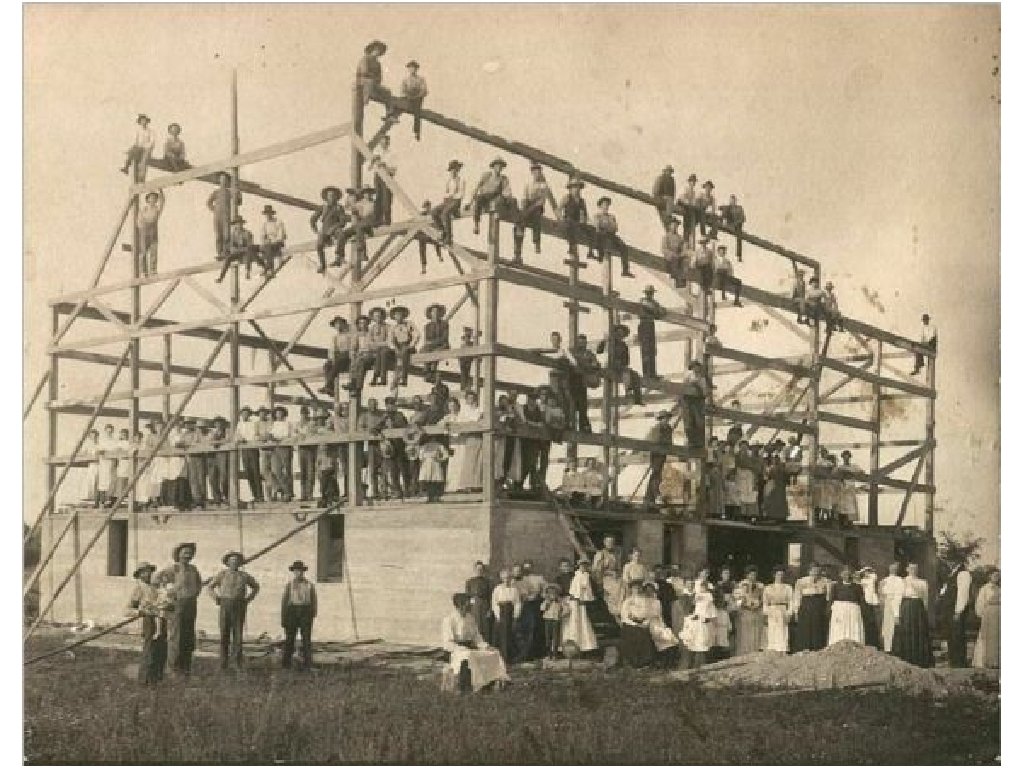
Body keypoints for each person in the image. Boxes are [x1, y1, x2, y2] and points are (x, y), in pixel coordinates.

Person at [442, 593, 509, 692]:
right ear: (460, 605)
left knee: (494, 653)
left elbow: (476, 637)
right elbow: (448, 643)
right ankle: (477, 685)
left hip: (470, 647)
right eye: (468, 604)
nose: (470, 606)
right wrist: (462, 648)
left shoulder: (470, 618)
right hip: (455, 650)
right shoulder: (449, 620)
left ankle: (494, 681)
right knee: (469, 655)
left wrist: (486, 646)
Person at [154, 542, 202, 677]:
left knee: (188, 636)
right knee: (176, 636)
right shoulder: (173, 568)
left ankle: (185, 667)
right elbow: (156, 580)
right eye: (185, 553)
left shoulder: (193, 569)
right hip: (176, 605)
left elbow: (199, 584)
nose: (187, 555)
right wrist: (168, 593)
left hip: (191, 604)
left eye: (190, 553)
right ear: (178, 554)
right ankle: (172, 669)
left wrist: (194, 593)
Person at [207, 550, 260, 671]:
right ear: (227, 563)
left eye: (236, 561)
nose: (234, 563)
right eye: (231, 561)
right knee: (224, 633)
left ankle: (237, 663)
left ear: (239, 563)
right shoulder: (222, 574)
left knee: (238, 634)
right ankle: (223, 663)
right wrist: (216, 598)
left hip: (239, 605)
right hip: (225, 604)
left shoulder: (244, 576)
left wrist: (248, 599)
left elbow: (256, 587)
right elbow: (210, 587)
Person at [128, 562, 167, 685]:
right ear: (139, 575)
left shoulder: (157, 587)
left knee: (161, 648)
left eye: (149, 571)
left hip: (161, 619)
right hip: (148, 620)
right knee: (149, 649)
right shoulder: (139, 588)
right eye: (144, 572)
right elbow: (129, 609)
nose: (147, 574)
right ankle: (144, 679)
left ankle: (156, 678)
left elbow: (164, 601)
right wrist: (140, 611)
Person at [514, 162, 558, 261]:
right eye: (535, 172)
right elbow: (524, 198)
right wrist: (523, 209)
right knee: (519, 223)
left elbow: (542, 201)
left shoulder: (543, 185)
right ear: (532, 173)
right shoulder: (528, 184)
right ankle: (517, 252)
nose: (537, 174)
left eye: (538, 172)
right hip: (528, 206)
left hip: (537, 207)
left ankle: (536, 242)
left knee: (536, 218)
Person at [892, 562, 933, 667]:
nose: (913, 570)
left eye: (915, 568)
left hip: (918, 608)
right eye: (911, 568)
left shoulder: (923, 582)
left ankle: (919, 659)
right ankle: (907, 657)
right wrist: (896, 614)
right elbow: (897, 598)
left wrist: (924, 611)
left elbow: (925, 599)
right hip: (906, 607)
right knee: (907, 631)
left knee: (919, 631)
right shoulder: (902, 581)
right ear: (907, 569)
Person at [280, 560, 317, 671]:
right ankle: (286, 664)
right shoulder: (289, 585)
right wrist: (284, 618)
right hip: (292, 611)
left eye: (300, 571)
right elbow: (284, 602)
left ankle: (308, 664)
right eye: (296, 571)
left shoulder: (309, 585)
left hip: (305, 612)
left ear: (303, 572)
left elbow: (314, 600)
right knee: (290, 638)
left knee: (306, 639)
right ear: (293, 572)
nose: (298, 573)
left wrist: (312, 614)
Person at [939, 558, 974, 668]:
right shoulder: (952, 574)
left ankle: (959, 662)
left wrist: (958, 611)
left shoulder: (963, 573)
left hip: (956, 610)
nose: (949, 563)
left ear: (957, 561)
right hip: (949, 609)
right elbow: (944, 591)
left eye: (951, 560)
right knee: (951, 635)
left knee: (957, 635)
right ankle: (953, 661)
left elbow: (963, 594)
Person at [679, 569, 717, 668]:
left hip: (700, 620)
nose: (690, 586)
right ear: (685, 585)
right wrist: (694, 604)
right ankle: (688, 664)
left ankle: (700, 664)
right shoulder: (684, 596)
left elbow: (707, 606)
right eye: (688, 584)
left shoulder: (699, 594)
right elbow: (687, 609)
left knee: (701, 641)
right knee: (690, 641)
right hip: (690, 620)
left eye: (691, 584)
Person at [466, 158, 513, 235]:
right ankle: (476, 224)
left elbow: (507, 190)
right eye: (497, 166)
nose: (499, 168)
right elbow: (476, 187)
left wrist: (508, 197)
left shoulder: (503, 178)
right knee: (478, 201)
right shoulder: (486, 175)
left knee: (499, 201)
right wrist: (470, 202)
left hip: (496, 196)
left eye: (501, 166)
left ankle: (498, 213)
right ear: (493, 167)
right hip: (485, 196)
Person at [562, 559, 599, 654]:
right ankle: (571, 646)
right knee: (572, 622)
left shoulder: (587, 576)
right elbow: (573, 589)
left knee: (582, 621)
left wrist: (585, 598)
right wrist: (574, 597)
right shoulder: (576, 576)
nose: (583, 567)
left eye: (585, 566)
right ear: (579, 566)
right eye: (582, 565)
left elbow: (588, 590)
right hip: (573, 601)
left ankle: (584, 645)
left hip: (581, 602)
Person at [792, 563, 830, 651]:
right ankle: (804, 647)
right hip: (806, 604)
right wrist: (796, 609)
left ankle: (818, 647)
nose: (815, 572)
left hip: (819, 604)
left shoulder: (826, 581)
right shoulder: (801, 581)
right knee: (805, 626)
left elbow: (828, 596)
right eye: (813, 570)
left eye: (817, 570)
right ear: (809, 571)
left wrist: (827, 608)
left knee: (818, 625)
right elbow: (797, 596)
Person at [310, 185, 349, 272]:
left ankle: (339, 258)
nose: (331, 197)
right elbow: (313, 219)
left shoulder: (339, 208)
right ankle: (322, 264)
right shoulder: (323, 208)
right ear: (326, 197)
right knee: (319, 245)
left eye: (333, 195)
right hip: (325, 229)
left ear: (336, 197)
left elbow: (343, 222)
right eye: (330, 195)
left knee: (341, 235)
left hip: (336, 227)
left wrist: (334, 228)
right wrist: (315, 230)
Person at [215, 215, 264, 283]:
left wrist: (239, 248)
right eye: (237, 224)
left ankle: (248, 272)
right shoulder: (233, 234)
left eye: (240, 223)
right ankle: (221, 277)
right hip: (238, 253)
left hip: (246, 253)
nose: (238, 225)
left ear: (242, 224)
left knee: (249, 253)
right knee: (228, 258)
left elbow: (249, 246)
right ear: (235, 225)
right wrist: (238, 249)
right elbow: (232, 247)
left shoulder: (247, 233)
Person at [619, 580, 657, 668]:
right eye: (635, 588)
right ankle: (633, 662)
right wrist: (634, 623)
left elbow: (649, 613)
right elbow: (624, 616)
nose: (637, 590)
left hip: (643, 624)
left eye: (639, 588)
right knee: (633, 634)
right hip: (630, 624)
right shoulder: (627, 601)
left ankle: (645, 662)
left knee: (644, 634)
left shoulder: (645, 600)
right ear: (631, 589)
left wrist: (645, 623)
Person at [515, 561, 547, 661]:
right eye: (525, 568)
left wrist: (541, 596)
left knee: (536, 628)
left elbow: (546, 590)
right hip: (525, 606)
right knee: (526, 629)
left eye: (529, 568)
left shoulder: (539, 578)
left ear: (533, 567)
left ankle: (537, 653)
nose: (527, 570)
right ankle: (526, 653)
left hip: (536, 605)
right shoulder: (520, 580)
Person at [592, 196, 632, 276]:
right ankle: (600, 256)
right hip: (602, 235)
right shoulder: (597, 216)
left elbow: (615, 228)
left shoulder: (611, 217)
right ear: (600, 206)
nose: (606, 207)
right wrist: (607, 226)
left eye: (607, 205)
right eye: (604, 205)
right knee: (600, 239)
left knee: (623, 247)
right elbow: (597, 227)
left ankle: (625, 270)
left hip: (611, 235)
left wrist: (606, 226)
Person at [827, 565, 866, 646]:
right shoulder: (836, 586)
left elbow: (861, 600)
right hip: (839, 610)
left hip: (853, 610)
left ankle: (854, 646)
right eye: (845, 574)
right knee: (839, 628)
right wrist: (828, 610)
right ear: (841, 575)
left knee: (853, 628)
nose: (847, 576)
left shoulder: (857, 587)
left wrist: (864, 612)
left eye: (848, 574)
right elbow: (831, 599)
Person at [559, 178, 595, 260]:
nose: (576, 189)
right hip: (568, 220)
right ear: (570, 189)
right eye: (574, 187)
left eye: (578, 187)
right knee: (571, 226)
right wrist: (560, 219)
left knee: (592, 229)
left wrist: (589, 222)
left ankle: (590, 252)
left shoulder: (582, 201)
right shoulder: (567, 197)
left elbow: (585, 215)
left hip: (578, 222)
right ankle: (571, 248)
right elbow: (559, 209)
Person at [206, 173, 241, 260]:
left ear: (227, 182)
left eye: (225, 180)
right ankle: (219, 253)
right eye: (222, 180)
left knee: (226, 235)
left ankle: (225, 252)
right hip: (217, 216)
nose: (223, 182)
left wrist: (238, 193)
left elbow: (238, 202)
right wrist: (214, 209)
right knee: (218, 235)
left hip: (226, 216)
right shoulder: (216, 192)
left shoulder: (229, 192)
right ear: (219, 181)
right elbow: (208, 202)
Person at [233, 407, 264, 504]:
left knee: (255, 472)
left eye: (247, 413)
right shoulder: (239, 424)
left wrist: (250, 440)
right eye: (243, 414)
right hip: (244, 450)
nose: (245, 415)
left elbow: (256, 435)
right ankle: (255, 495)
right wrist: (240, 439)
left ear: (249, 414)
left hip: (252, 449)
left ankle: (260, 495)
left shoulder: (253, 423)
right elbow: (236, 436)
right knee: (248, 473)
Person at [490, 569, 521, 663]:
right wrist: (498, 616)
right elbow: (494, 603)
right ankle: (500, 657)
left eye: (508, 578)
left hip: (510, 611)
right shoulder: (497, 589)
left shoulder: (514, 589)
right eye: (504, 578)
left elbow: (517, 603)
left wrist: (516, 616)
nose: (506, 580)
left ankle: (509, 658)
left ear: (510, 578)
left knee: (509, 634)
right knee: (500, 635)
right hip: (501, 611)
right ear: (501, 578)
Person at [644, 410, 674, 508]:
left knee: (658, 474)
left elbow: (670, 442)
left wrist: (668, 446)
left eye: (667, 418)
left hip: (663, 454)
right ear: (661, 419)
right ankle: (654, 495)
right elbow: (654, 441)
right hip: (656, 454)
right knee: (656, 473)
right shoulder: (656, 428)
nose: (666, 420)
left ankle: (650, 498)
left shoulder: (669, 429)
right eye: (664, 418)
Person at [432, 160, 466, 245]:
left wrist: (452, 196)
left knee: (445, 213)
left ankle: (449, 237)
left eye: (454, 169)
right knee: (434, 211)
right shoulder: (449, 181)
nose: (453, 172)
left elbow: (461, 194)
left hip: (456, 201)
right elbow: (445, 193)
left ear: (457, 170)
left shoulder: (461, 180)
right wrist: (447, 197)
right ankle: (442, 230)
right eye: (451, 170)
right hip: (448, 201)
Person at [733, 566, 765, 656]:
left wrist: (759, 604)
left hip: (756, 611)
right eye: (751, 574)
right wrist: (744, 604)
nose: (752, 576)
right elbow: (737, 599)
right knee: (744, 633)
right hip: (745, 611)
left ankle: (754, 652)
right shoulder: (741, 585)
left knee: (756, 632)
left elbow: (763, 598)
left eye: (754, 574)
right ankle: (744, 653)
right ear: (747, 575)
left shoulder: (760, 585)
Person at [762, 565, 793, 653]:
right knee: (772, 629)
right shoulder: (768, 588)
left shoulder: (788, 587)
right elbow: (765, 602)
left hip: (782, 609)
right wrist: (766, 612)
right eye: (778, 575)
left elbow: (791, 601)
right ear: (774, 575)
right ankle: (772, 649)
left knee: (782, 630)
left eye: (782, 575)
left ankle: (782, 649)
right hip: (772, 610)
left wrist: (789, 612)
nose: (780, 577)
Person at [591, 535, 623, 620]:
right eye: (608, 542)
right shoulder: (600, 554)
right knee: (615, 590)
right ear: (604, 543)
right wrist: (607, 574)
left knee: (623, 586)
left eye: (612, 542)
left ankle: (622, 610)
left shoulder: (616, 555)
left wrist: (617, 574)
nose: (610, 544)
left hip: (615, 577)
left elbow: (618, 568)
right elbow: (596, 570)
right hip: (604, 578)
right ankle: (615, 610)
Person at [973, 569, 1000, 669]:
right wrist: (982, 614)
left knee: (997, 637)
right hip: (988, 615)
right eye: (994, 575)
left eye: (998, 576)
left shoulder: (1000, 589)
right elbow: (980, 603)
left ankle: (996, 661)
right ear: (989, 576)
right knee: (986, 637)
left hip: (999, 615)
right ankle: (984, 661)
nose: (996, 577)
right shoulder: (984, 589)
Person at [320, 316, 352, 397]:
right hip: (339, 356)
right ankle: (330, 388)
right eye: (336, 325)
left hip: (347, 356)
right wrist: (331, 359)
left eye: (340, 324)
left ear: (344, 324)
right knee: (327, 365)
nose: (338, 326)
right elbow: (332, 350)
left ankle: (328, 386)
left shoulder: (350, 335)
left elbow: (352, 347)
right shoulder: (335, 337)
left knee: (338, 362)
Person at [387, 305, 419, 388]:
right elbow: (390, 340)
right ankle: (395, 380)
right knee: (394, 358)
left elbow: (416, 335)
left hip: (407, 346)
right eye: (396, 315)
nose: (399, 317)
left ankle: (404, 378)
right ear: (394, 317)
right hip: (397, 346)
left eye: (400, 315)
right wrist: (395, 348)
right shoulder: (393, 327)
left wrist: (410, 345)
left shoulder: (409, 324)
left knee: (404, 353)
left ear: (404, 316)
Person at [637, 286, 665, 379]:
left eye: (651, 293)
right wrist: (655, 311)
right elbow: (655, 312)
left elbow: (660, 313)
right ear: (646, 293)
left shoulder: (654, 303)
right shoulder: (643, 301)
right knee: (645, 350)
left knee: (652, 350)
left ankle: (652, 374)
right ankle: (647, 374)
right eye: (648, 293)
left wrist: (656, 311)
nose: (650, 294)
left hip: (650, 325)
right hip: (644, 325)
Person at [136, 190, 165, 278]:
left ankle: (153, 270)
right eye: (151, 198)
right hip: (144, 231)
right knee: (143, 251)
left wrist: (160, 191)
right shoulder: (144, 210)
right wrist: (142, 229)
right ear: (148, 199)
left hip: (153, 231)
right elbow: (139, 221)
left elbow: (162, 202)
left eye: (155, 198)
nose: (153, 200)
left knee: (154, 251)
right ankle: (143, 271)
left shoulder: (156, 210)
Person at [398, 60, 428, 141]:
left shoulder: (421, 79)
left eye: (414, 68)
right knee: (399, 103)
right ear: (408, 69)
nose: (412, 70)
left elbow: (424, 91)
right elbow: (402, 91)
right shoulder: (405, 80)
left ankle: (417, 131)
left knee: (417, 113)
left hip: (417, 99)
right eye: (410, 68)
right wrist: (407, 96)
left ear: (416, 69)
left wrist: (417, 96)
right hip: (408, 98)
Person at [420, 303, 450, 384]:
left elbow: (444, 338)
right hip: (431, 346)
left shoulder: (444, 324)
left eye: (437, 311)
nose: (435, 313)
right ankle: (427, 371)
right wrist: (430, 344)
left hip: (442, 345)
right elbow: (427, 339)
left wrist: (433, 342)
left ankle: (433, 370)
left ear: (440, 313)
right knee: (424, 350)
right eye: (433, 312)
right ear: (430, 314)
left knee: (436, 352)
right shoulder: (427, 326)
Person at [465, 562, 493, 644]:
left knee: (485, 627)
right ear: (474, 570)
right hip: (474, 607)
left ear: (483, 570)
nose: (479, 571)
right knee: (474, 625)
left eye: (481, 569)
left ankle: (485, 644)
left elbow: (490, 597)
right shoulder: (470, 582)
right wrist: (468, 610)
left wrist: (489, 610)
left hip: (484, 606)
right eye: (478, 569)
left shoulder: (487, 582)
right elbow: (467, 597)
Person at [269, 406, 294, 502]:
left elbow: (287, 435)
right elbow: (272, 434)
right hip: (275, 448)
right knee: (275, 470)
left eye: (280, 413)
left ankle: (288, 493)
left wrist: (278, 438)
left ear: (284, 414)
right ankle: (282, 489)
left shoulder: (288, 424)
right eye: (277, 413)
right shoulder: (274, 424)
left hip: (285, 447)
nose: (279, 414)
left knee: (287, 470)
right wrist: (271, 437)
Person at [121, 113, 155, 180]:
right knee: (133, 153)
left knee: (143, 161)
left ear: (147, 121)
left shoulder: (151, 131)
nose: (143, 122)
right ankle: (126, 167)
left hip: (146, 148)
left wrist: (145, 146)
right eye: (142, 121)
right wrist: (135, 146)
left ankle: (141, 178)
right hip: (139, 147)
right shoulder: (138, 131)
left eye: (144, 120)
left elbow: (152, 142)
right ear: (140, 122)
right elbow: (135, 140)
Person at [879, 562, 903, 653]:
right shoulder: (884, 580)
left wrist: (897, 609)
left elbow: (899, 594)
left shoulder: (900, 580)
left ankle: (896, 648)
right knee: (886, 626)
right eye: (892, 568)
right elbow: (881, 594)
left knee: (895, 625)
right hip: (887, 603)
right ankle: (887, 648)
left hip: (896, 602)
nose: (893, 569)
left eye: (895, 568)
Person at [356, 40, 389, 106]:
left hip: (374, 83)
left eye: (380, 51)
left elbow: (379, 77)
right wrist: (373, 77)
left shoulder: (377, 63)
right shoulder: (365, 59)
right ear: (372, 49)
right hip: (363, 81)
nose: (378, 52)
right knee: (369, 83)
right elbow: (364, 72)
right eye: (377, 50)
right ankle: (364, 101)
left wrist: (376, 80)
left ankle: (389, 108)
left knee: (387, 92)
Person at [365, 306, 391, 387]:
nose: (378, 318)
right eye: (376, 316)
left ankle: (380, 377)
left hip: (386, 350)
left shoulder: (388, 327)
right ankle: (377, 377)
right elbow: (369, 342)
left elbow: (389, 341)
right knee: (378, 353)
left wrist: (377, 344)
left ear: (383, 316)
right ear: (373, 317)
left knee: (383, 352)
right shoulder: (371, 328)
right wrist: (377, 345)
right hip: (375, 350)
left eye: (380, 316)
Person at [858, 566, 882, 649]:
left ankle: (875, 642)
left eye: (868, 571)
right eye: (865, 572)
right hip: (865, 601)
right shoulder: (862, 581)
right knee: (866, 621)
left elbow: (874, 576)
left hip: (873, 601)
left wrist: (869, 573)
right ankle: (867, 641)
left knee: (874, 622)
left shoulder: (872, 578)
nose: (867, 573)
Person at [259, 205, 287, 277]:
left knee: (268, 247)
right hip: (269, 244)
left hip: (278, 243)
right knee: (265, 248)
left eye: (269, 214)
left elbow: (281, 235)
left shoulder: (278, 222)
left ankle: (270, 269)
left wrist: (273, 241)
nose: (268, 216)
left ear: (272, 214)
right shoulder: (265, 224)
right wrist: (265, 240)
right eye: (266, 214)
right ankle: (268, 268)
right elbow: (262, 236)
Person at [718, 194, 746, 262]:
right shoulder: (728, 207)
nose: (732, 202)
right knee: (725, 209)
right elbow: (719, 207)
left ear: (735, 201)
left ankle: (739, 255)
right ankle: (721, 222)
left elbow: (743, 218)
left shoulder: (739, 208)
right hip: (729, 224)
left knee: (739, 238)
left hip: (737, 225)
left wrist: (735, 223)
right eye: (731, 201)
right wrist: (721, 207)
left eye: (733, 201)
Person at [540, 585, 564, 659]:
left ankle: (555, 654)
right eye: (550, 593)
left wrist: (561, 614)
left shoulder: (560, 601)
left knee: (555, 637)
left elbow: (566, 609)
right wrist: (548, 603)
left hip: (556, 620)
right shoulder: (546, 601)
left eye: (554, 593)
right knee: (548, 637)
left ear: (557, 593)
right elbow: (542, 608)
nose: (552, 595)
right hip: (548, 620)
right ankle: (548, 654)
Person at [678, 173, 699, 247]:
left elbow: (693, 201)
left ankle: (690, 229)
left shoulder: (693, 192)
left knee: (695, 213)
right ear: (689, 182)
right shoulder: (685, 188)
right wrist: (689, 203)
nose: (693, 183)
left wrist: (693, 204)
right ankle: (686, 234)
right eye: (692, 181)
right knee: (688, 215)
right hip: (682, 203)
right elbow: (682, 197)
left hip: (688, 205)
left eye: (694, 182)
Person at [651, 165, 676, 230]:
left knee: (670, 202)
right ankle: (668, 217)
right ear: (665, 171)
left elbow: (673, 192)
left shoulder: (672, 180)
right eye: (668, 171)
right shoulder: (660, 178)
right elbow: (655, 190)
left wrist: (672, 199)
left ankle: (669, 219)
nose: (669, 173)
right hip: (661, 197)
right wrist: (659, 197)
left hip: (669, 200)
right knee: (664, 216)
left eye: (670, 172)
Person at [458, 327, 477, 392]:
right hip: (464, 361)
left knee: (467, 374)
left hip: (468, 360)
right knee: (464, 374)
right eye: (466, 336)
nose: (467, 338)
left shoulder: (471, 344)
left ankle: (466, 387)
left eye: (469, 336)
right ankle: (464, 387)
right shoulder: (463, 345)